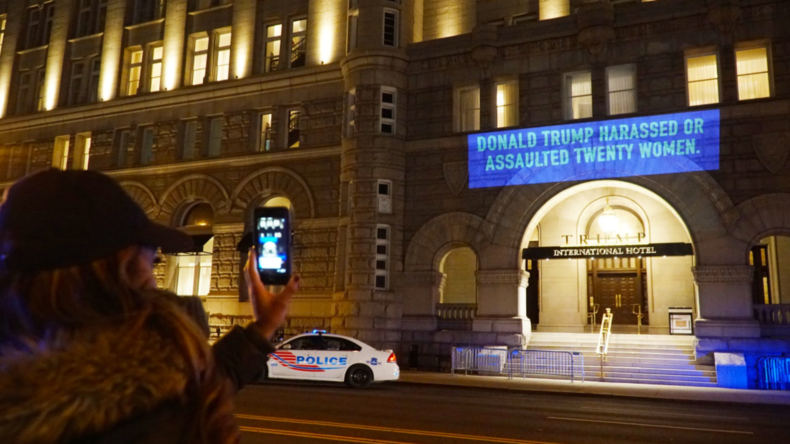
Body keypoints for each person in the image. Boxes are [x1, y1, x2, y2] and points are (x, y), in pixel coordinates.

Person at [0, 169, 298, 443]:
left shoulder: (30, 381)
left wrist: (261, 329)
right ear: (116, 275)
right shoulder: (159, 406)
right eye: (150, 263)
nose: (155, 283)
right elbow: (171, 394)